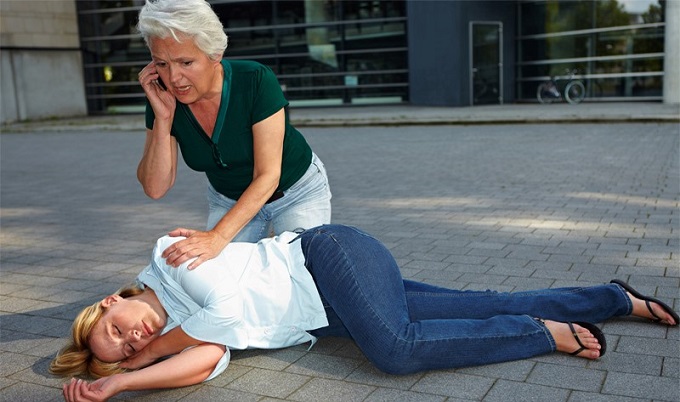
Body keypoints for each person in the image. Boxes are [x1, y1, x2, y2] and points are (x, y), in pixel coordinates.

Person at [51, 224, 678, 402]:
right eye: (126, 347)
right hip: (338, 307)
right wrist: (124, 382)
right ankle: (613, 297)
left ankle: (539, 335)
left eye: (117, 330)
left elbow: (229, 308)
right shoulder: (172, 341)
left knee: (397, 350)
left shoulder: (173, 254)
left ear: (114, 300)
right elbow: (209, 356)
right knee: (476, 306)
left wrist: (152, 352)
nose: (135, 337)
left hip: (330, 258)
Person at [135, 0, 331, 270]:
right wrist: (163, 119)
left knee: (304, 273)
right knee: (216, 275)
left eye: (186, 62)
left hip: (294, 191)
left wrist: (217, 237)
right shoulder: (162, 98)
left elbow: (268, 175)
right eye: (162, 64)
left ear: (214, 54)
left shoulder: (254, 80)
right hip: (229, 199)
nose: (174, 78)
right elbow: (155, 188)